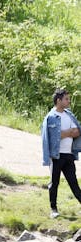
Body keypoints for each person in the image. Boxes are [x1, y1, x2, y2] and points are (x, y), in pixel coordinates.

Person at [41, 88, 81, 219]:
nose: (69, 101)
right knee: (54, 183)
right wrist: (68, 132)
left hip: (69, 155)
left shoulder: (69, 115)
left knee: (74, 182)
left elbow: (77, 132)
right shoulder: (51, 117)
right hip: (56, 156)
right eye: (66, 99)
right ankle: (53, 209)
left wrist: (66, 133)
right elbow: (52, 137)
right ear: (58, 100)